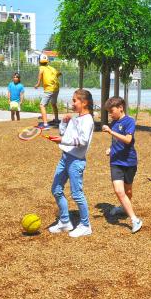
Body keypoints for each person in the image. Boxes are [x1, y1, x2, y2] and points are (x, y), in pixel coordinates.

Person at [47, 89, 96, 238]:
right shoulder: (76, 118)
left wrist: (63, 141)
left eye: (75, 100)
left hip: (76, 161)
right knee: (56, 189)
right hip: (65, 158)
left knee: (77, 194)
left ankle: (85, 225)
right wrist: (63, 122)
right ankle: (65, 222)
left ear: (84, 102)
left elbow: (82, 142)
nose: (72, 103)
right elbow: (64, 134)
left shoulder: (88, 120)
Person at [102, 96, 143, 233]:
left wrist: (110, 131)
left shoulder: (129, 121)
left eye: (111, 111)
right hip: (116, 161)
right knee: (119, 191)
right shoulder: (113, 122)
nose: (110, 114)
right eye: (108, 112)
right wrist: (111, 149)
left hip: (129, 161)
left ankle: (123, 207)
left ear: (121, 108)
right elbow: (116, 141)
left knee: (128, 192)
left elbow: (127, 140)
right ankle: (135, 220)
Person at [33, 54, 61, 129]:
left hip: (49, 88)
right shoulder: (52, 68)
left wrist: (38, 84)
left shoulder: (41, 67)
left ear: (39, 61)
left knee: (42, 105)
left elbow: (40, 75)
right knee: (53, 103)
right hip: (56, 88)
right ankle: (56, 120)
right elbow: (58, 74)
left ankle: (45, 125)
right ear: (47, 61)